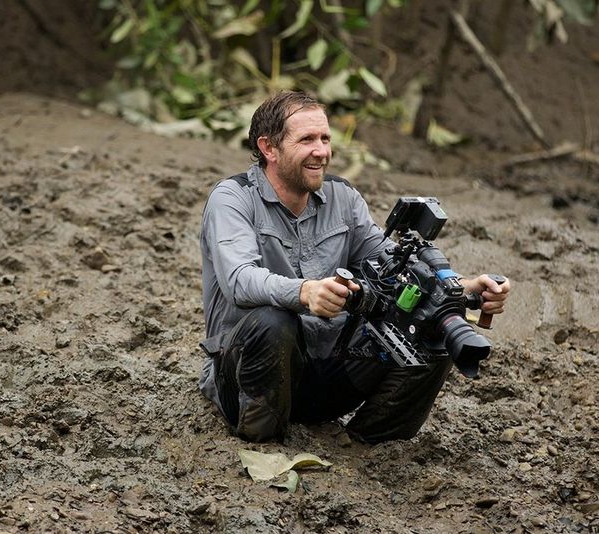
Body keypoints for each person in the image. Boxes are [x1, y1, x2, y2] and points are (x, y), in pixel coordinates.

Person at [198, 91, 511, 444]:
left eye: (325, 139)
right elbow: (238, 280)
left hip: (326, 375)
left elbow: (392, 267)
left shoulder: (343, 197)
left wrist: (465, 290)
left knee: (428, 322)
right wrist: (304, 292)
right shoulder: (232, 198)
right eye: (307, 140)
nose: (322, 151)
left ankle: (370, 447)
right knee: (274, 320)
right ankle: (263, 439)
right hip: (246, 380)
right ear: (269, 148)